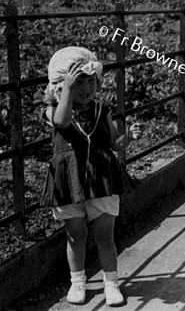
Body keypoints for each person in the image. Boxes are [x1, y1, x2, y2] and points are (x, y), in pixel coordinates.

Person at [40, 46, 143, 306]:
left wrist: (128, 137)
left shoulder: (100, 109)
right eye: (78, 83)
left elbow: (114, 144)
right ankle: (78, 282)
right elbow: (62, 122)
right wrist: (66, 90)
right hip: (69, 182)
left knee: (105, 236)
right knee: (76, 235)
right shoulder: (52, 111)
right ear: (60, 86)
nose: (85, 88)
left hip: (101, 180)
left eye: (90, 81)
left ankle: (111, 283)